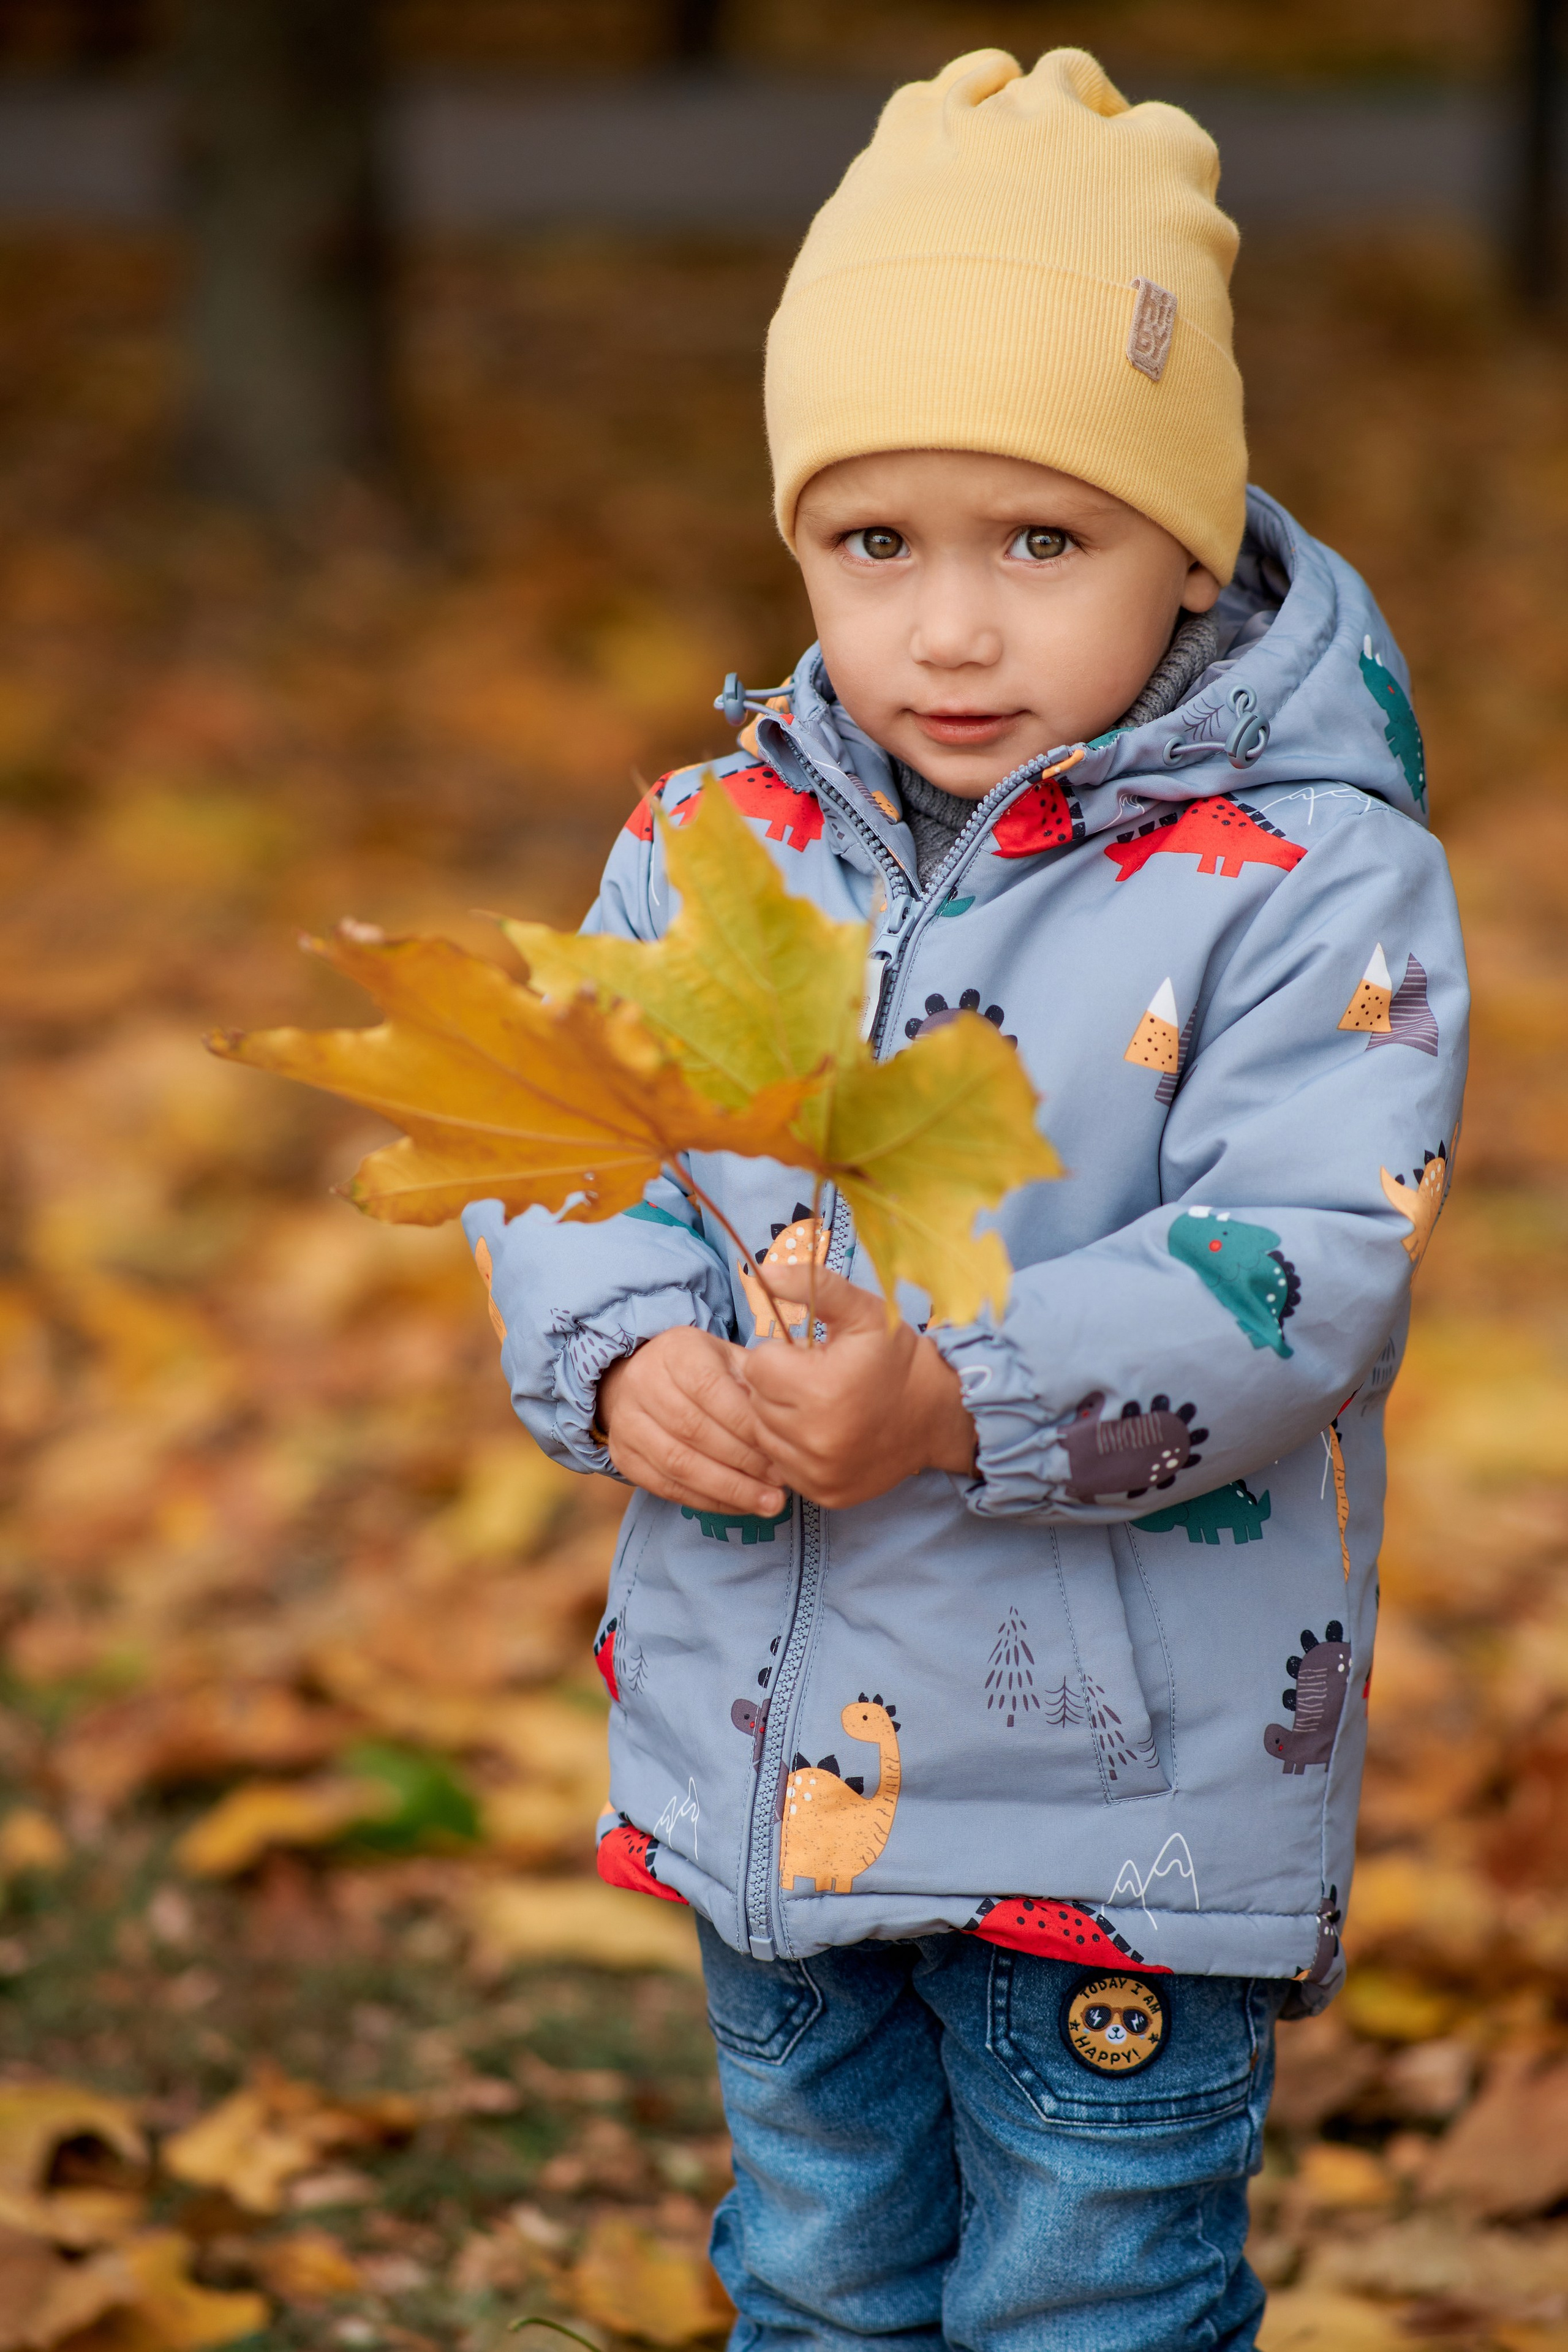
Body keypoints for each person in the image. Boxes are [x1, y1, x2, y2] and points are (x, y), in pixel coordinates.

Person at [465, 47, 1467, 2351]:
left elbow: (1312, 1267)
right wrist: (622, 1353)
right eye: (872, 542)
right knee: (817, 2272)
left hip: (1123, 1818)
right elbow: (564, 1136)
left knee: (1089, 2295)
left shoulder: (1308, 882)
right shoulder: (712, 846)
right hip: (775, 1778)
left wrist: (965, 1397)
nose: (946, 630)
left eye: (1044, 540)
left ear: (1191, 543)